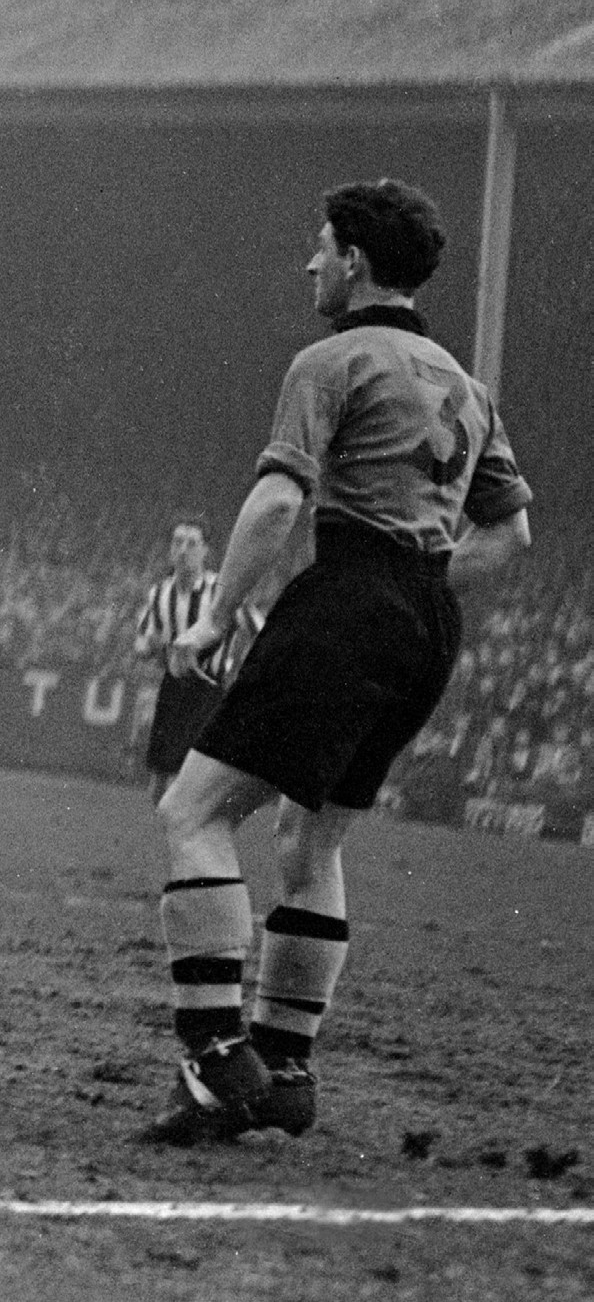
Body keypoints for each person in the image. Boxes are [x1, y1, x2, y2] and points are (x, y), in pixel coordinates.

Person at [142, 179, 531, 1146]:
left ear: (355, 261)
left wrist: (214, 617)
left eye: (320, 248)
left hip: (350, 594)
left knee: (192, 812)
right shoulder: (465, 385)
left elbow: (278, 504)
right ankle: (285, 1070)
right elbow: (512, 532)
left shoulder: (331, 359)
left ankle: (214, 1052)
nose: (311, 264)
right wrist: (423, 582)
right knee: (313, 843)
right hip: (427, 622)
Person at [133, 516, 227, 803]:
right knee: (159, 779)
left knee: (190, 778)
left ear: (205, 551)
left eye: (191, 543)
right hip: (173, 688)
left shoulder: (220, 590)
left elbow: (256, 625)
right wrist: (149, 645)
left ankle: (185, 835)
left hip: (209, 690)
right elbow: (142, 642)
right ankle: (162, 836)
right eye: (177, 542)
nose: (183, 549)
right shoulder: (160, 593)